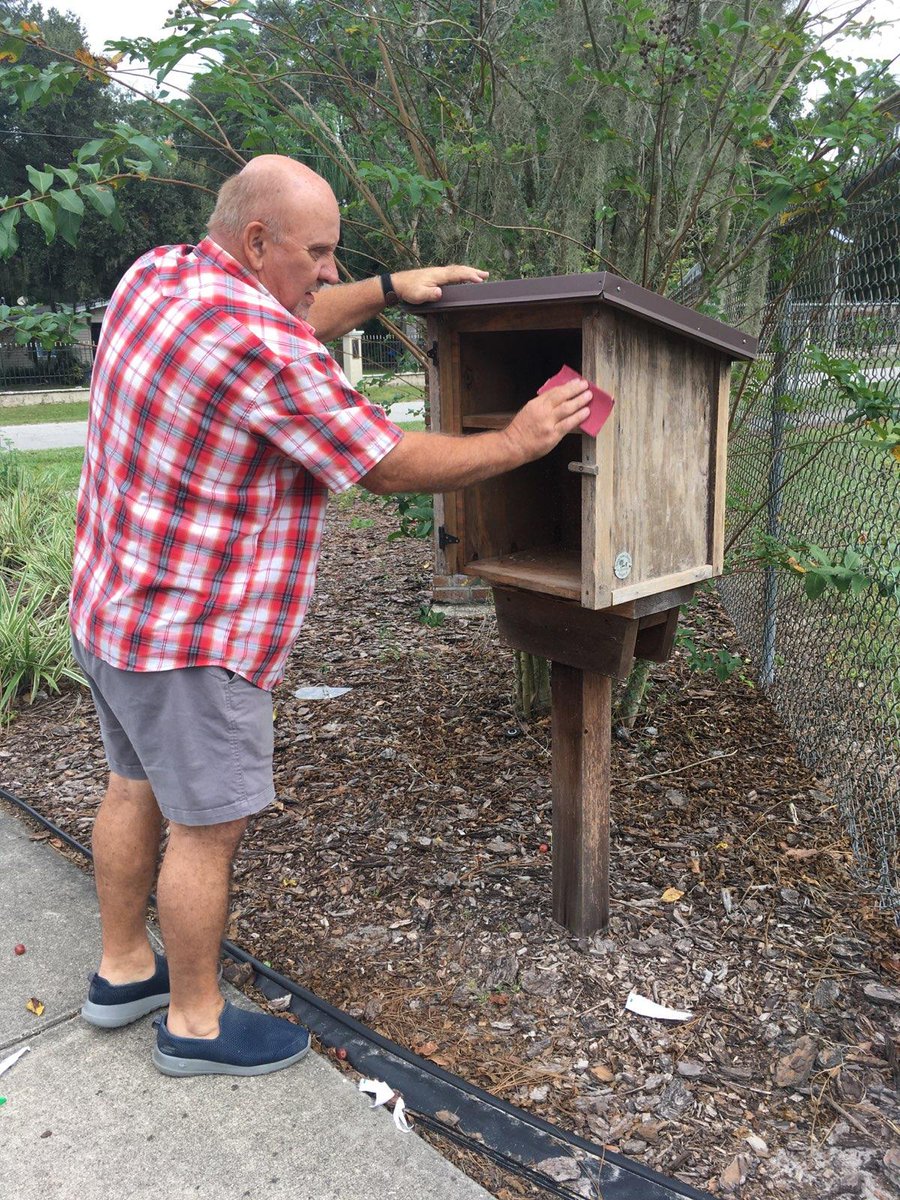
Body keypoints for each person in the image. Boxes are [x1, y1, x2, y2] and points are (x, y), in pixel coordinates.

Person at [70, 155, 591, 1078]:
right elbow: (379, 458)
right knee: (204, 831)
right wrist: (517, 441)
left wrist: (388, 290)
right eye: (319, 254)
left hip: (114, 610)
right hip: (195, 640)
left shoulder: (159, 273)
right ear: (258, 240)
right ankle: (194, 1024)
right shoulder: (259, 351)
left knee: (133, 788)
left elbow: (294, 311)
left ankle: (123, 972)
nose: (327, 275)